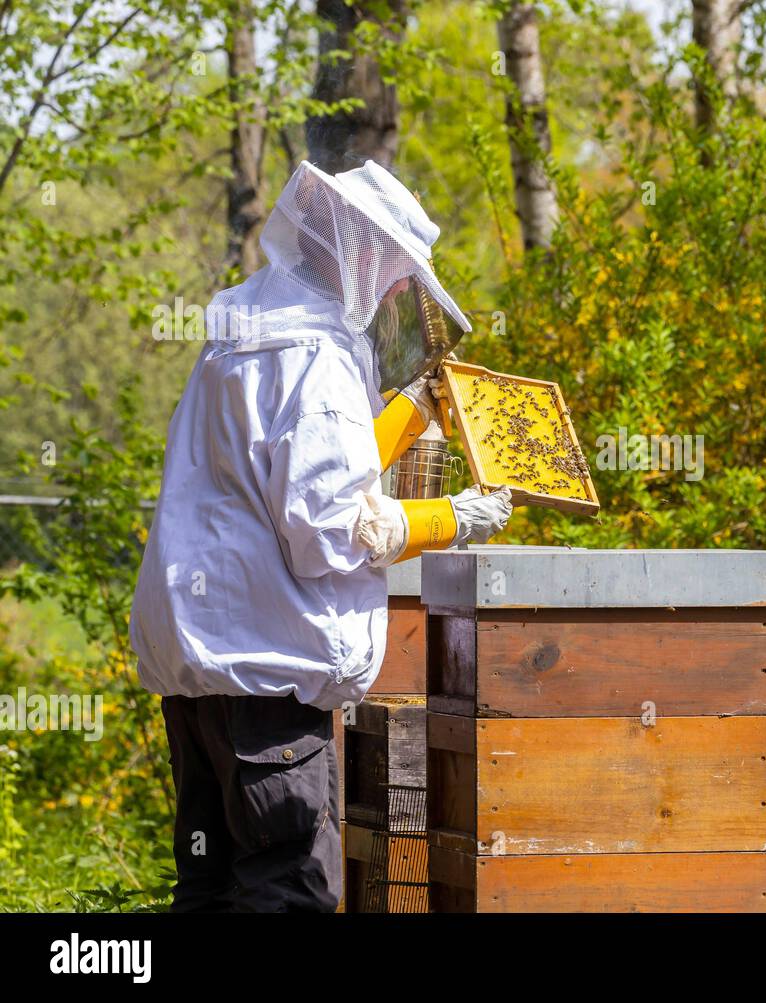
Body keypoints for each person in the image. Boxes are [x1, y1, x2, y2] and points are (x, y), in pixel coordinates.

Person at [129, 160, 512, 912]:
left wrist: (408, 414)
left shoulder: (246, 333)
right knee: (287, 893)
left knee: (209, 889)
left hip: (200, 673)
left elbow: (293, 470)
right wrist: (452, 518)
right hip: (267, 684)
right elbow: (332, 528)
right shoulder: (320, 359)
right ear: (365, 258)